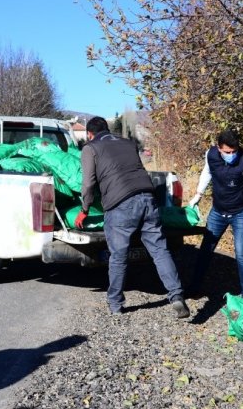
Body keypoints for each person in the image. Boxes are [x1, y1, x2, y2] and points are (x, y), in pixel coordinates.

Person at [75, 116, 190, 318]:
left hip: (120, 204)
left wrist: (84, 209)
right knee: (160, 250)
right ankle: (177, 296)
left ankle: (115, 304)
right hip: (147, 197)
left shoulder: (90, 148)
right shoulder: (127, 143)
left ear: (89, 134)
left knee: (118, 256)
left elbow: (89, 184)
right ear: (108, 129)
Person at [187, 128, 243, 301]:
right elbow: (207, 172)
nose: (231, 154)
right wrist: (198, 194)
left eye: (234, 151)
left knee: (241, 254)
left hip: (241, 211)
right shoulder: (210, 155)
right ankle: (194, 288)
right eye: (227, 152)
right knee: (205, 251)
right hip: (218, 211)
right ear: (219, 148)